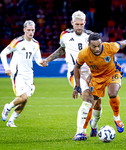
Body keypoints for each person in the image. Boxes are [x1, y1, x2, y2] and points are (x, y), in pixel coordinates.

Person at [40, 10, 102, 141]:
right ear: (72, 23)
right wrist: (48, 59)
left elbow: (98, 54)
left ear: (85, 23)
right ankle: (80, 132)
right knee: (87, 98)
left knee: (97, 104)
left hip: (91, 73)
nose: (79, 27)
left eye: (81, 24)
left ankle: (94, 126)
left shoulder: (90, 36)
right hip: (75, 73)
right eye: (77, 24)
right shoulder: (65, 35)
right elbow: (62, 49)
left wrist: (92, 72)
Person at [73, 33, 126, 138]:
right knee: (93, 105)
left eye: (99, 45)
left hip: (113, 73)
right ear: (89, 45)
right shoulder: (84, 53)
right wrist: (77, 86)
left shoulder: (109, 47)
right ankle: (92, 126)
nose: (97, 49)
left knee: (112, 93)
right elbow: (77, 67)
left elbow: (124, 43)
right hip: (96, 78)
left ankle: (117, 118)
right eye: (94, 46)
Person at [1, 20, 43, 127]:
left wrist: (43, 63)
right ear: (24, 30)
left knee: (25, 100)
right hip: (17, 73)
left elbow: (38, 60)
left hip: (29, 75)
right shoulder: (17, 42)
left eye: (32, 30)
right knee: (23, 97)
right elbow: (3, 53)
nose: (30, 32)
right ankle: (8, 107)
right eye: (28, 30)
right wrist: (7, 68)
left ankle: (11, 121)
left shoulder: (35, 44)